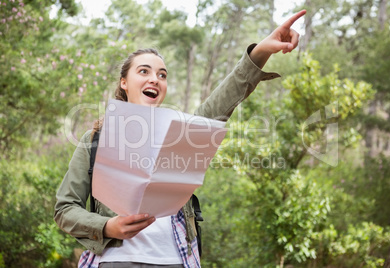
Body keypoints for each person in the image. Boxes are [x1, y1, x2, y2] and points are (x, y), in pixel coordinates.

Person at [54, 10, 307, 268]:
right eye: (144, 71)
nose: (155, 79)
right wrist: (108, 226)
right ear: (124, 82)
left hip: (175, 261)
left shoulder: (181, 132)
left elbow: (223, 100)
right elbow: (65, 209)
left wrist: (262, 51)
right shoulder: (95, 140)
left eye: (162, 75)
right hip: (116, 261)